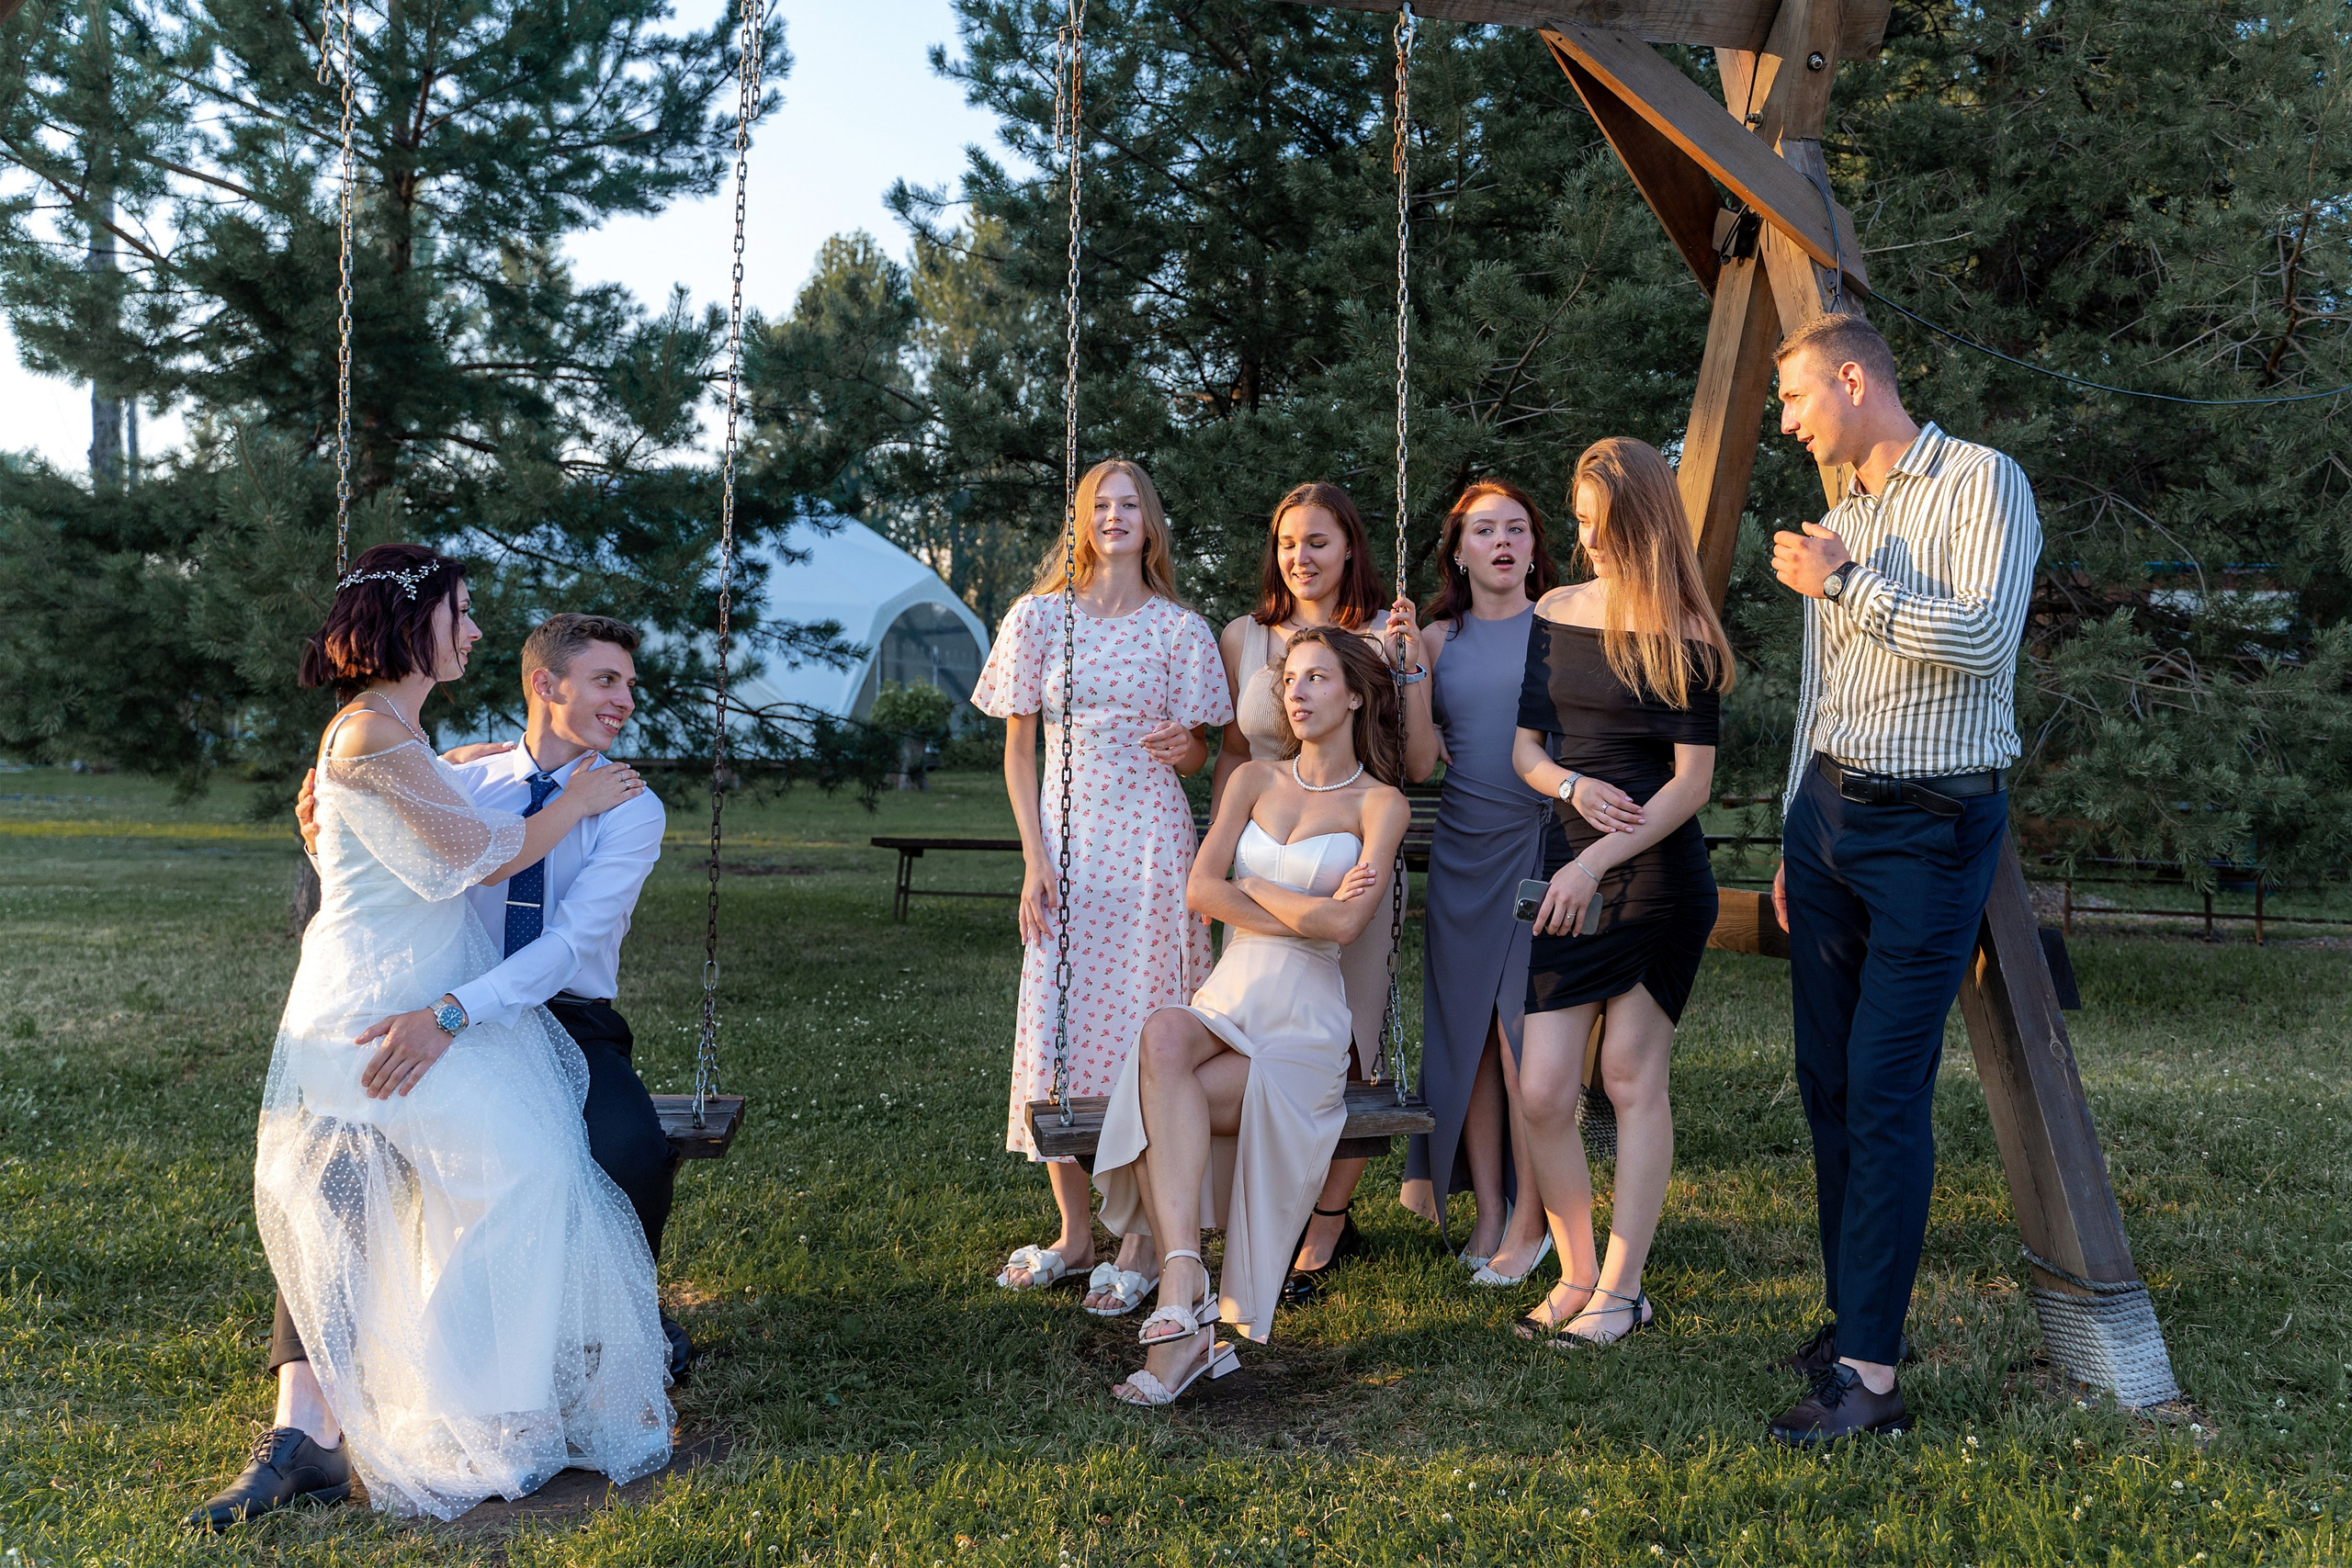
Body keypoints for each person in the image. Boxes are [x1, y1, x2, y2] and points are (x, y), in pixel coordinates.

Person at [196, 547, 671, 1527]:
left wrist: (455, 1005)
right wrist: (547, 800)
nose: (624, 700)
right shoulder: (427, 754)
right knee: (363, 1169)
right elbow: (472, 853)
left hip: (545, 1009)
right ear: (547, 686)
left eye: (628, 685)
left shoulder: (492, 766)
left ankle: (575, 1350)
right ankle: (349, 1418)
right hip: (394, 1003)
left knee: (613, 1151)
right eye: (605, 680)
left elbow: (560, 941)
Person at [1762, 312, 2039, 1443]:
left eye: (1792, 399)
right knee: (1825, 1082)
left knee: (1882, 1090)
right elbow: (1821, 690)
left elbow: (1981, 641)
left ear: (1850, 379)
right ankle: (1859, 1320)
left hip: (1931, 827)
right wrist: (1791, 825)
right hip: (1827, 820)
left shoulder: (1981, 482)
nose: (1786, 423)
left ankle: (1870, 1382)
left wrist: (1844, 585)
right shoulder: (1842, 516)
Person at [1092, 628, 1411, 1405]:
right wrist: (1303, 905)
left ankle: (1184, 1331)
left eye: (1317, 678)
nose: (1296, 692)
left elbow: (1346, 927)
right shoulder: (1252, 779)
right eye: (1289, 679)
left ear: (1356, 694)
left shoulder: (1381, 803)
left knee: (1166, 1101)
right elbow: (1200, 891)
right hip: (1231, 995)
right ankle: (1183, 1277)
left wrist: (1257, 888)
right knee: (1163, 1033)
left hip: (1305, 1020)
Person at [973, 459, 1232, 1316]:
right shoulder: (1038, 618)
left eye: (1129, 505)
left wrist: (1185, 749)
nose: (1114, 516)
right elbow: (1018, 749)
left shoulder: (1180, 629)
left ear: (1150, 523)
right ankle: (1075, 1232)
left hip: (1153, 847)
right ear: (1080, 521)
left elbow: (1200, 751)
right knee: (1056, 1029)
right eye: (1099, 505)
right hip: (1070, 849)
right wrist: (1033, 856)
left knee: (1144, 1030)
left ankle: (1144, 1241)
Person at [1508, 438, 1735, 1348]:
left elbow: (1691, 785)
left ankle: (1622, 1288)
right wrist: (1570, 788)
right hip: (1566, 862)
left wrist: (1595, 861)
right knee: (1541, 1090)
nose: (1588, 540)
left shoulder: (1685, 630)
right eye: (1580, 523)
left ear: (1643, 525)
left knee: (1629, 1076)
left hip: (1650, 875)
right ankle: (1574, 1273)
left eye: (1603, 525)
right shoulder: (1554, 611)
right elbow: (1526, 752)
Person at [1210, 481, 1427, 1302]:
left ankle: (1327, 1223)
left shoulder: (1381, 638)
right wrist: (1223, 857)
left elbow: (1415, 764)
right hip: (1260, 855)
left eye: (1319, 541)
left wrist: (1411, 668)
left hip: (1346, 862)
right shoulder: (1245, 636)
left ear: (1349, 549)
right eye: (1288, 542)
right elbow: (1235, 753)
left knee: (1352, 1048)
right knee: (1254, 1044)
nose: (1301, 557)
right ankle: (1265, 1203)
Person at [1393, 479, 1558, 1280]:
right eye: (1484, 529)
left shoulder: (1563, 622)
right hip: (1463, 851)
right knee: (1473, 1039)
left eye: (1517, 528)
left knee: (1524, 1035)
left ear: (1533, 546)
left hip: (1542, 844)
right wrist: (1408, 673)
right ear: (1457, 551)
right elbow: (1420, 763)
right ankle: (1489, 1208)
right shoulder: (1433, 637)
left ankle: (1534, 1218)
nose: (1502, 541)